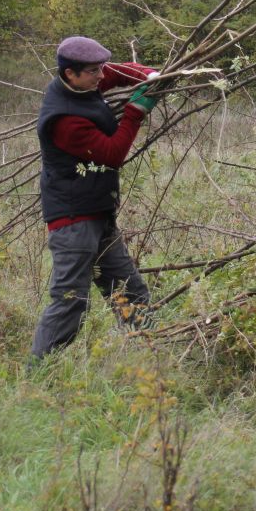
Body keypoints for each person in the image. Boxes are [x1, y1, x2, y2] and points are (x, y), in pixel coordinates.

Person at [29, 36, 159, 361]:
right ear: (70, 74)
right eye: (93, 72)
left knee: (130, 293)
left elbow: (116, 72)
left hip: (98, 215)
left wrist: (149, 75)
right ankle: (37, 372)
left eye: (100, 68)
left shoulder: (83, 83)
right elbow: (111, 154)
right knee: (70, 301)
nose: (101, 76)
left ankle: (147, 362)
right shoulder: (64, 120)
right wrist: (135, 111)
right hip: (74, 221)